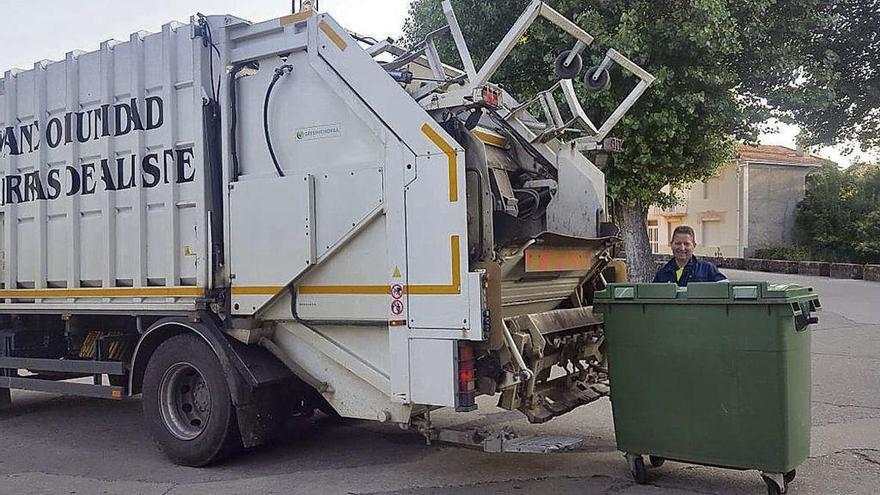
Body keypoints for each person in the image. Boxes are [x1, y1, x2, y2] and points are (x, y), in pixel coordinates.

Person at [653, 225, 726, 286]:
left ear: (694, 245)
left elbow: (727, 290)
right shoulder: (662, 274)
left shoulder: (708, 269)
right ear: (671, 245)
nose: (682, 248)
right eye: (678, 243)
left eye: (686, 244)